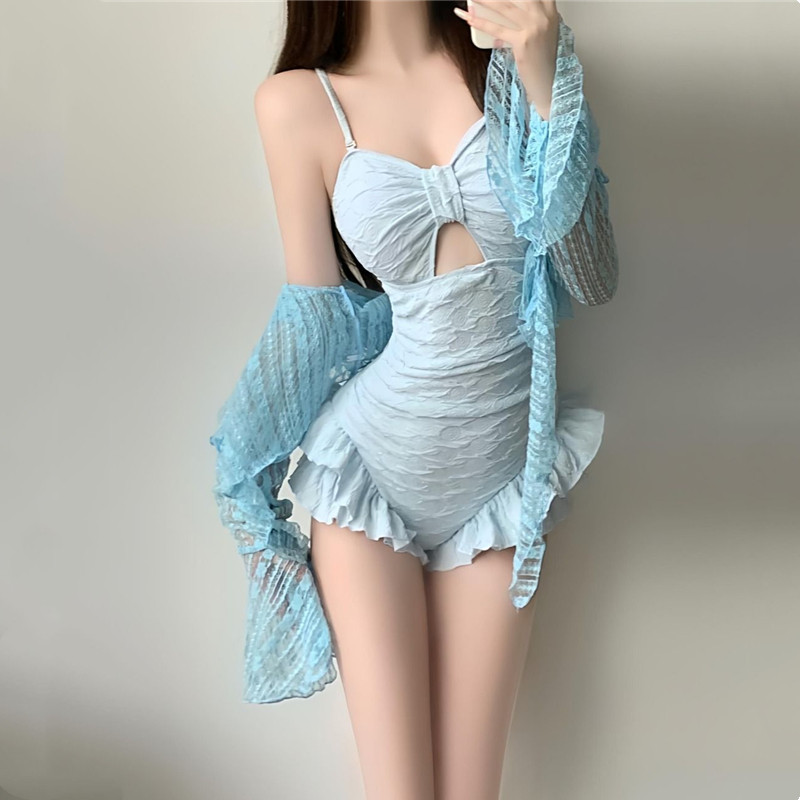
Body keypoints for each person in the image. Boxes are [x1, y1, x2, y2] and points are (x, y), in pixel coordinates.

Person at [210, 1, 619, 798]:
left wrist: (545, 80)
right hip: (371, 475)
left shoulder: (516, 60)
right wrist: (244, 469)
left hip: (499, 489)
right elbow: (316, 320)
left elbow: (593, 275)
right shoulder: (297, 103)